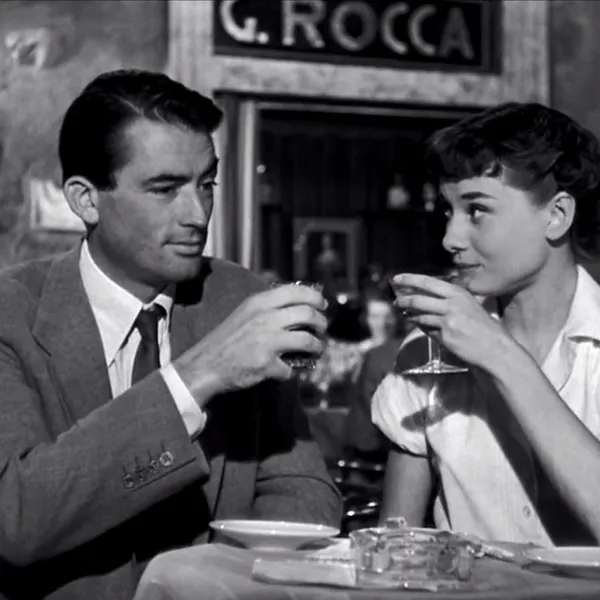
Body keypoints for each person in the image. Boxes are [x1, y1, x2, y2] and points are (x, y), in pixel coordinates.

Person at [0, 70, 341, 600]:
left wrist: (216, 585)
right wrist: (197, 377)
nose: (198, 214)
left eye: (206, 184)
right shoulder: (12, 313)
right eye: (165, 189)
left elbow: (305, 496)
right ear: (86, 200)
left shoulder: (240, 298)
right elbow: (15, 518)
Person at [372, 102, 600, 546]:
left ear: (556, 216)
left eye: (476, 211)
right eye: (448, 211)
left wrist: (498, 354)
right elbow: (393, 548)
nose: (450, 239)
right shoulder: (426, 351)